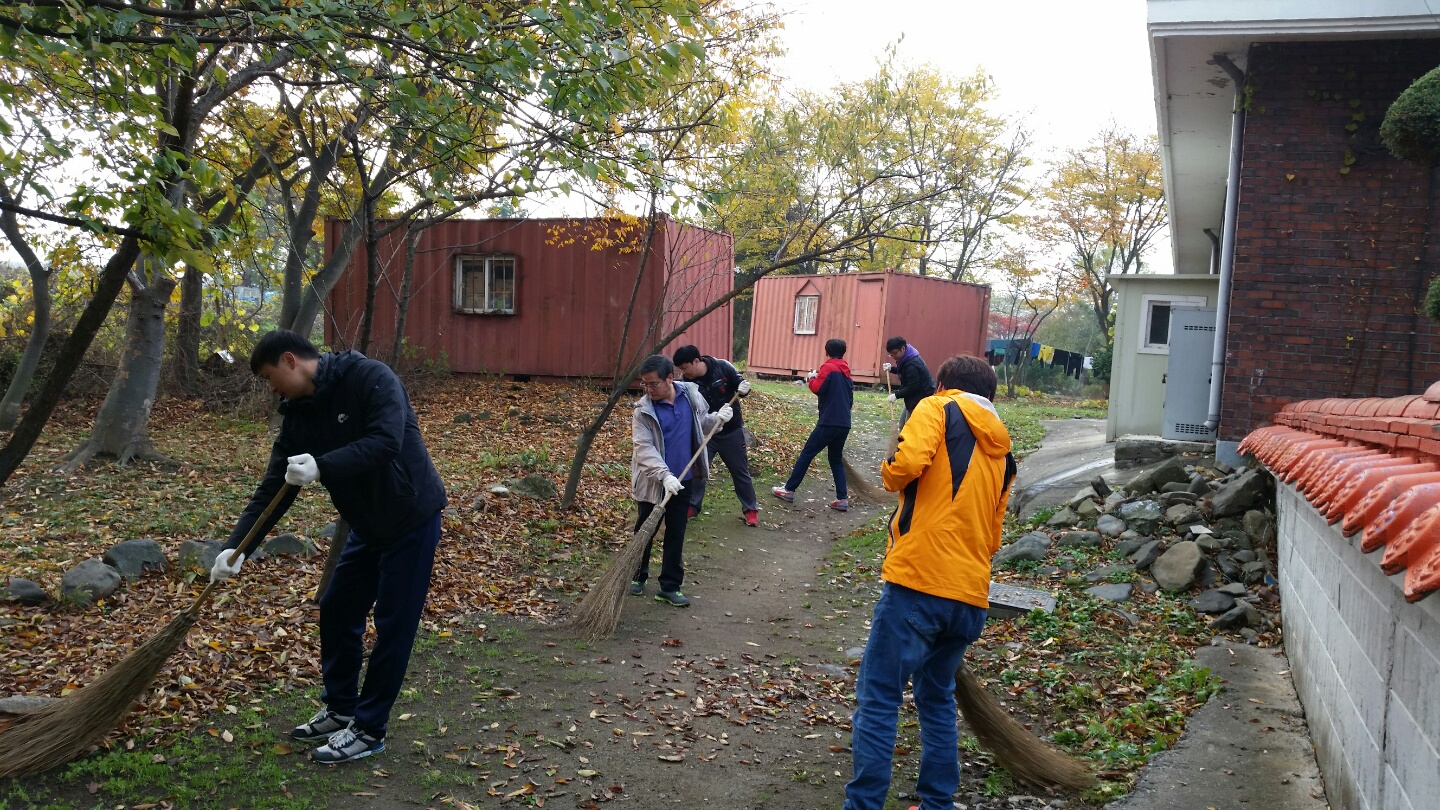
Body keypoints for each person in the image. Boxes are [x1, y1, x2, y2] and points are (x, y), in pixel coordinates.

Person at [209, 330, 447, 765]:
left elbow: (386, 441)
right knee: (337, 607)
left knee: (394, 625)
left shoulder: (371, 377)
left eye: (269, 377)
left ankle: (369, 729)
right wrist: (236, 548)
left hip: (411, 518)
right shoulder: (300, 414)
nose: (271, 389)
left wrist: (322, 465)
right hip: (367, 526)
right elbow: (274, 487)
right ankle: (341, 708)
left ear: (290, 360)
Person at [844, 355, 1017, 810]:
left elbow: (903, 469)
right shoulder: (1004, 452)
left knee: (880, 698)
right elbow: (993, 538)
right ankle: (938, 803)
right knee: (937, 698)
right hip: (971, 597)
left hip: (918, 583)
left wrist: (888, 467)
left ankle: (863, 805)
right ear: (990, 396)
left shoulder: (936, 408)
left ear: (942, 384)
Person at [629, 354, 731, 606]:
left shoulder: (692, 396)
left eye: (653, 384)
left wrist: (717, 420)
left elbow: (701, 425)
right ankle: (637, 575)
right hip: (654, 481)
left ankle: (670, 586)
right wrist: (664, 476)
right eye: (645, 384)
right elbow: (644, 449)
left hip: (684, 478)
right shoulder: (643, 411)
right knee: (645, 529)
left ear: (669, 378)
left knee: (676, 532)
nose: (649, 389)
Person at [672, 345, 758, 527]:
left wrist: (744, 389)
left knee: (740, 470)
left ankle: (750, 509)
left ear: (696, 361)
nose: (683, 373)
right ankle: (692, 506)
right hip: (706, 433)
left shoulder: (722, 367)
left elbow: (740, 385)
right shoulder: (687, 384)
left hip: (731, 431)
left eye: (685, 368)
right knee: (698, 470)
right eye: (680, 369)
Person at [772, 338, 853, 512]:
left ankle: (789, 490)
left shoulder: (828, 367)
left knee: (807, 453)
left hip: (829, 422)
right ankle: (842, 499)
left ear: (826, 352)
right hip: (844, 423)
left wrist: (811, 378)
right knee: (835, 460)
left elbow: (818, 388)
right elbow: (847, 398)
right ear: (843, 352)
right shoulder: (847, 372)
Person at [882, 336, 936, 429]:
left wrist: (896, 395)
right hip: (913, 397)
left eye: (894, 354)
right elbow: (904, 371)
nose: (893, 357)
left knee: (909, 428)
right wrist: (892, 369)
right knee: (902, 425)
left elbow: (913, 386)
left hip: (921, 398)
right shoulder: (907, 357)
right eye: (891, 355)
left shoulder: (912, 364)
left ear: (903, 349)